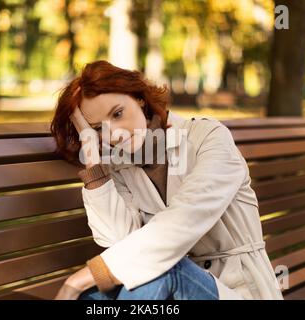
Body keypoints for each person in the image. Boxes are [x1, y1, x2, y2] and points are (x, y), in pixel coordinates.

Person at [50, 60, 284, 300]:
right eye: (99, 128)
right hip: (163, 293)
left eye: (118, 114)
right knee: (94, 297)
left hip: (239, 290)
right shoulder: (119, 166)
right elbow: (118, 241)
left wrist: (80, 279)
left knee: (163, 268)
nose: (114, 133)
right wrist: (93, 161)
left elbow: (184, 220)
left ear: (139, 98)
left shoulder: (209, 138)